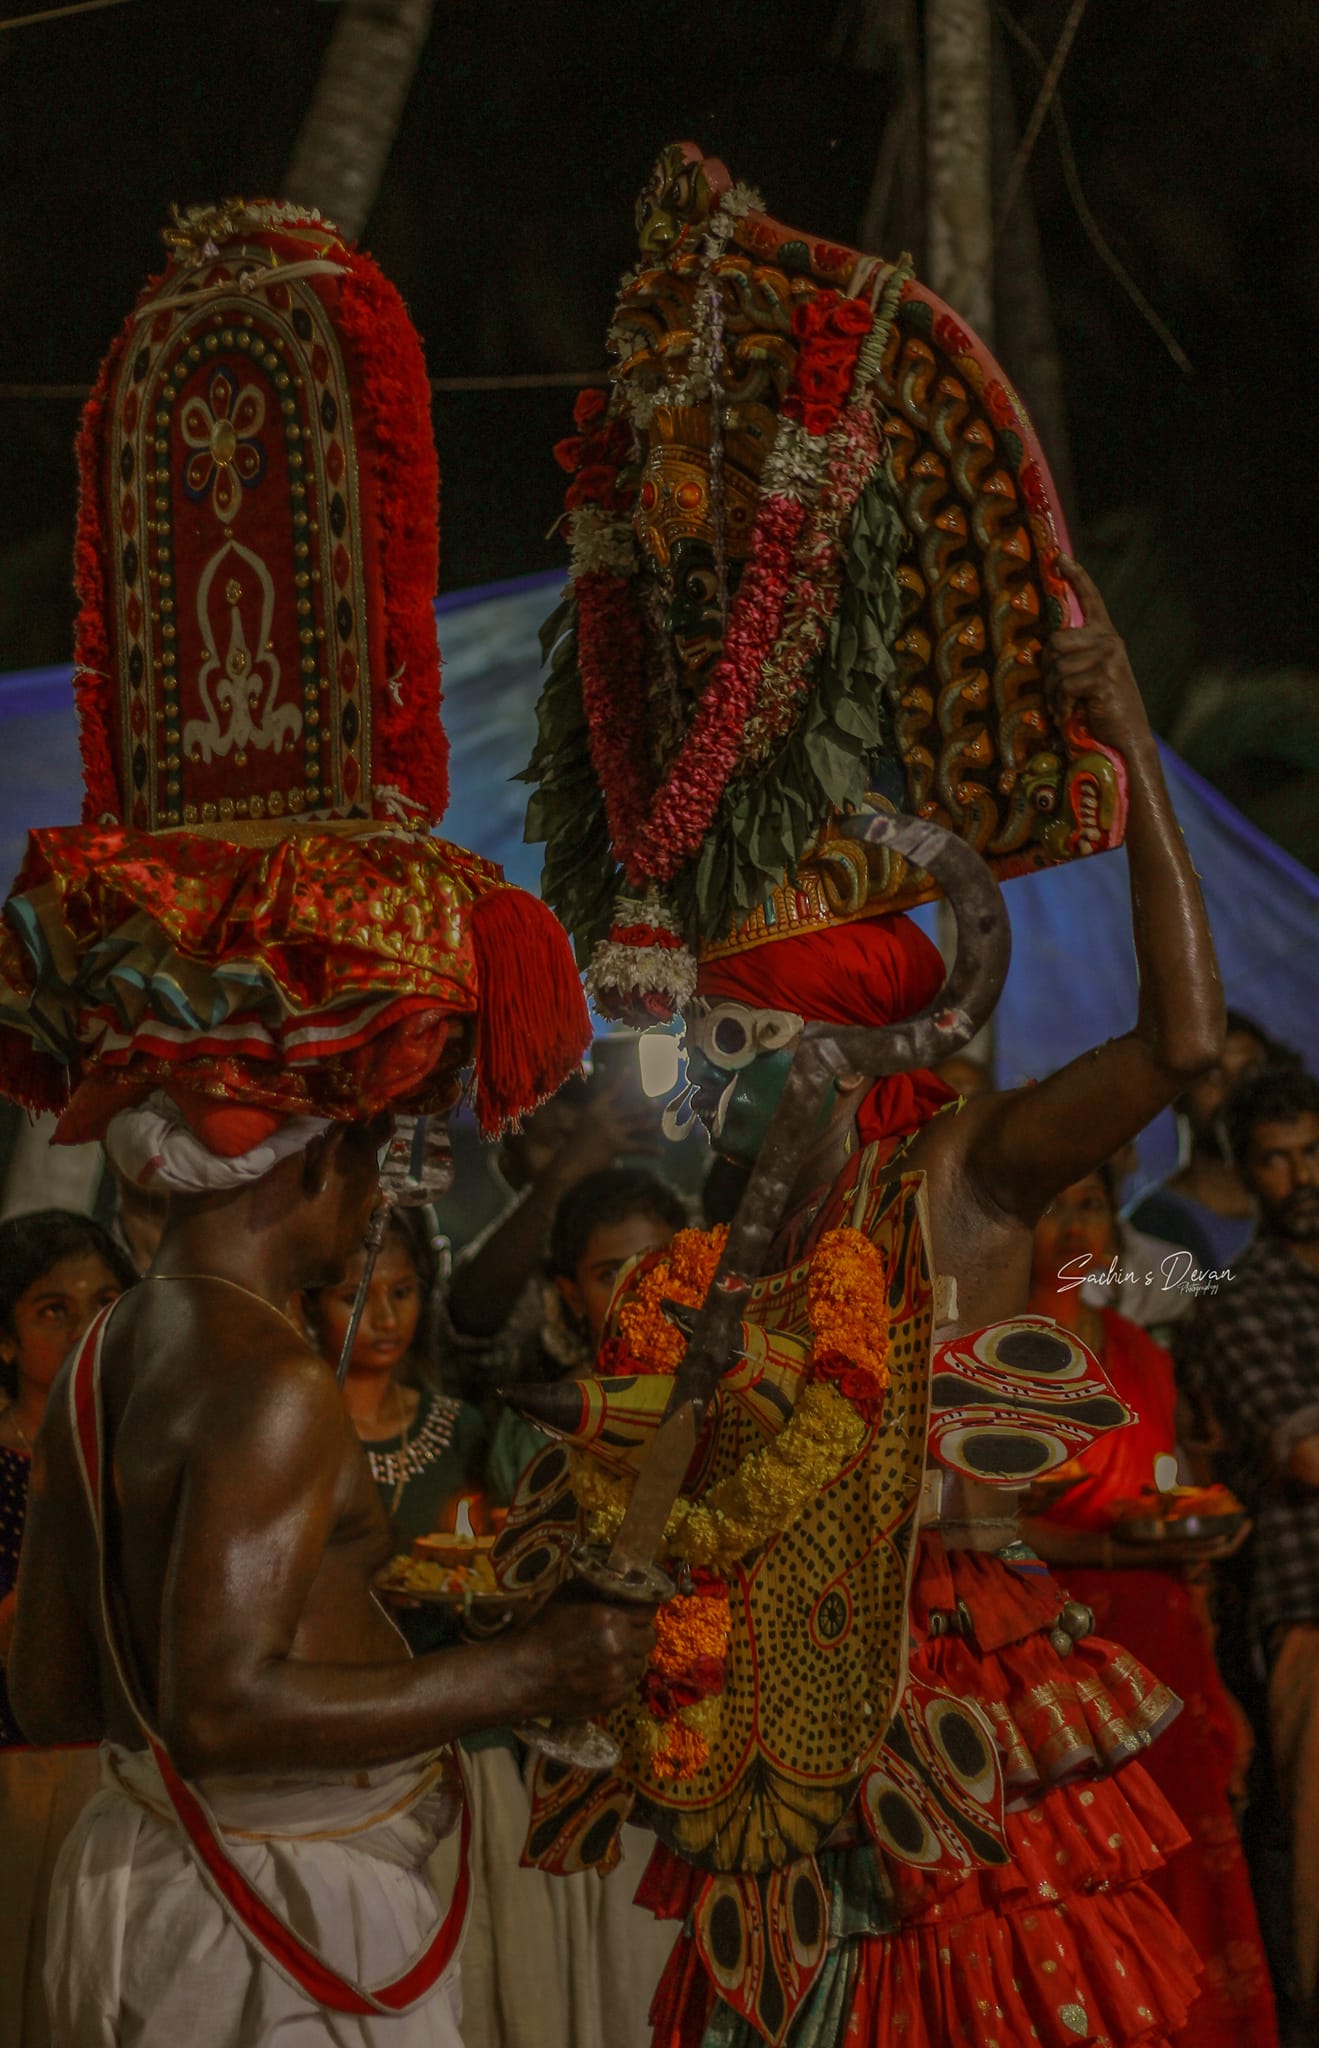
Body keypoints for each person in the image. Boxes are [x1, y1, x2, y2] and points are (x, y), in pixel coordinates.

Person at [516, 149, 1225, 2048]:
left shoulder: (969, 1179)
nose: (732, 1087)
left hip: (955, 1756)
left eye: (763, 1049)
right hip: (756, 1764)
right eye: (727, 1056)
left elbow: (1175, 1047)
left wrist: (1130, 734)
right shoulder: (691, 1250)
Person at [0, 200, 650, 2048]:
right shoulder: (272, 1382)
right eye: (369, 1130)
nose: (382, 1175)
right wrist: (529, 1665)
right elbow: (212, 1699)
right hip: (271, 1917)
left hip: (152, 1891)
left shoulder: (113, 1357)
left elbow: (59, 1689)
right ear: (301, 1150)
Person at [1019, 1170, 1278, 2048]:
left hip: (1160, 1656)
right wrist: (1103, 1549)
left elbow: (1168, 1512)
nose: (1068, 1225)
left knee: (1178, 1872)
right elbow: (980, 1527)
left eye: (1088, 1202)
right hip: (1041, 1660)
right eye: (1048, 1202)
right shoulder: (986, 1355)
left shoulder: (1140, 1353)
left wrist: (1218, 1692)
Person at [1174, 1064, 1319, 2039]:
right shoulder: (1235, 1300)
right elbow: (1306, 1453)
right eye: (1272, 1160)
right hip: (1307, 1600)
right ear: (1241, 1175)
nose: (1298, 1175)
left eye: (1311, 1151)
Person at [0, 1210, 137, 2048]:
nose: (89, 1327)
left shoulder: (157, 1446)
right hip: (19, 1779)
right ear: (5, 1342)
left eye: (107, 1301)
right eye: (54, 1309)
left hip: (134, 1782)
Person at [439, 1068, 660, 1398]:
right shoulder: (498, 1271)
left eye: (588, 1140)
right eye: (555, 1144)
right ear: (507, 1168)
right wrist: (571, 1165)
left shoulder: (654, 1238)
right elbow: (469, 1321)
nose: (586, 1157)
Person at [1128, 1010, 1294, 1269]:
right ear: (1175, 1094)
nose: (1237, 1091)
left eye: (1249, 1074)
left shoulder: (1298, 1209)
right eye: (1213, 1077)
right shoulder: (1152, 1228)